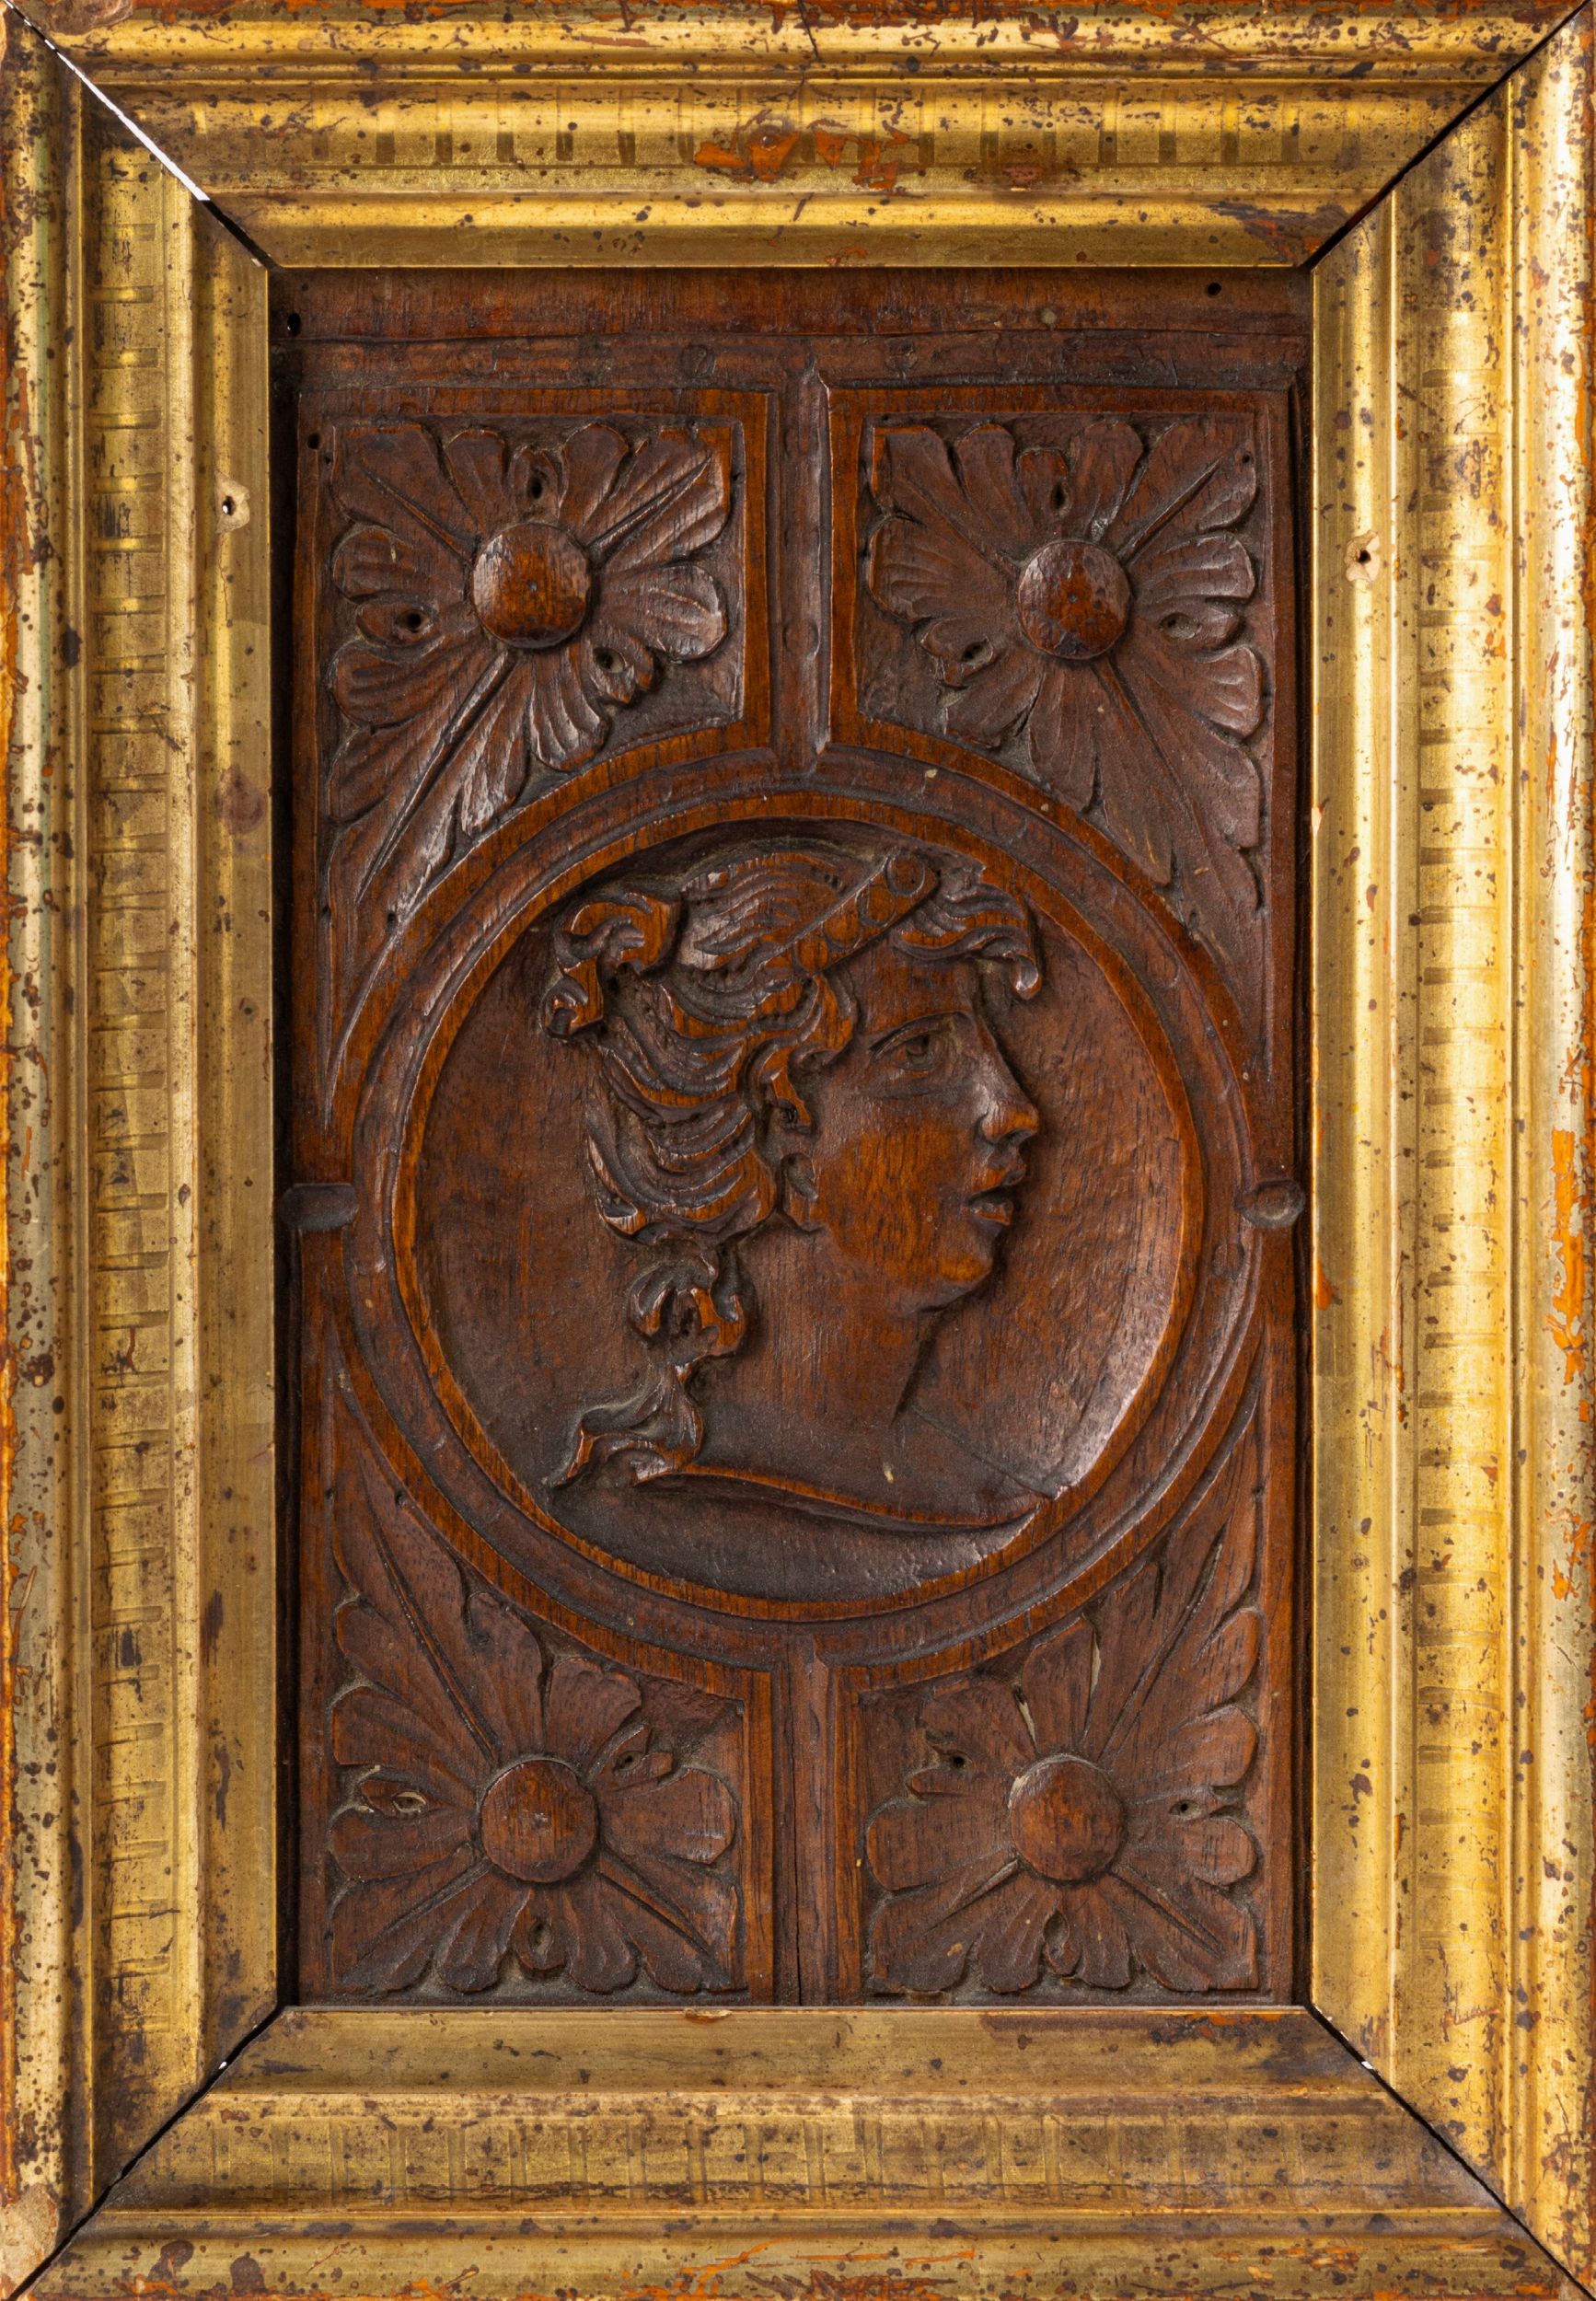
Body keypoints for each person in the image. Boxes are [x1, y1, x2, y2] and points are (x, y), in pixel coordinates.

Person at [540, 835, 1049, 1596]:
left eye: (986, 1051)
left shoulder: (990, 1500)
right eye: (920, 1054)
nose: (1014, 1109)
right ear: (781, 1141)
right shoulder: (656, 1522)